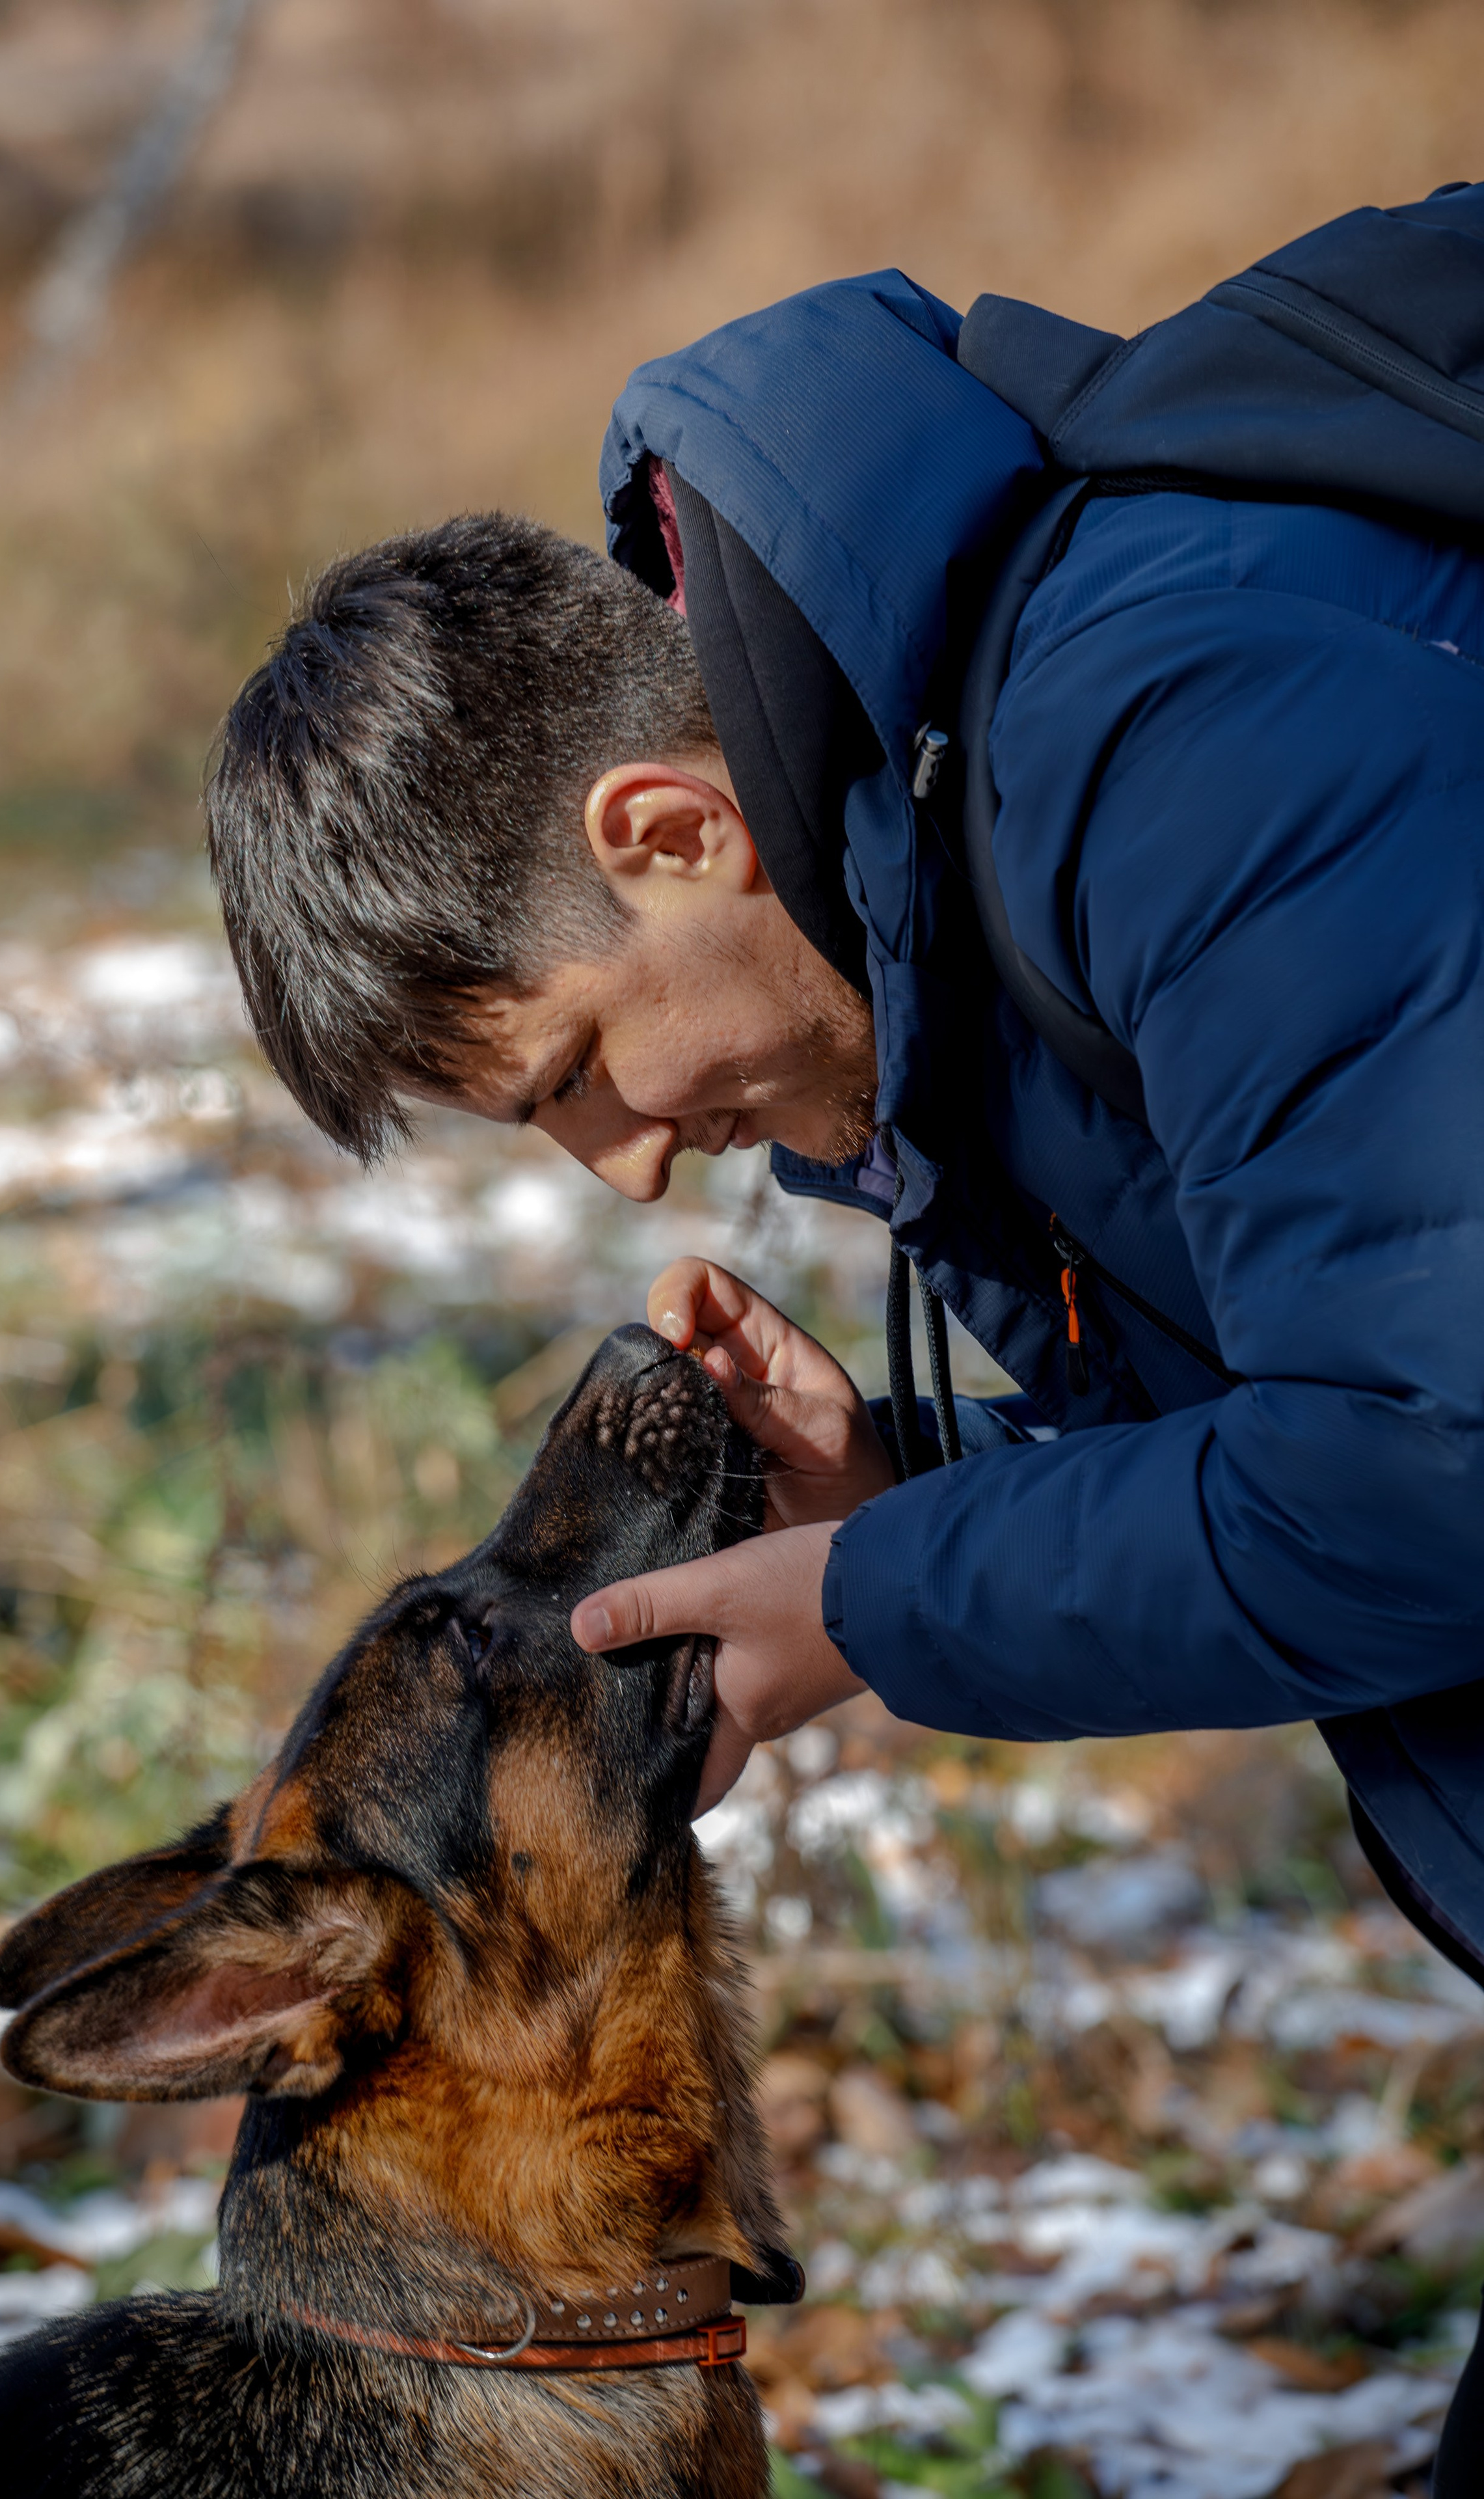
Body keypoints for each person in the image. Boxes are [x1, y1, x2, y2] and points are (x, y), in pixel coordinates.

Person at [206, 191, 1484, 2479]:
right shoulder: (947, 913)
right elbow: (1335, 1385)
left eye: (573, 1074)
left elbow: (1437, 1463)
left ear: (670, 827)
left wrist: (876, 1605)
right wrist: (916, 1491)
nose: (624, 1168)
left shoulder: (1185, 740)